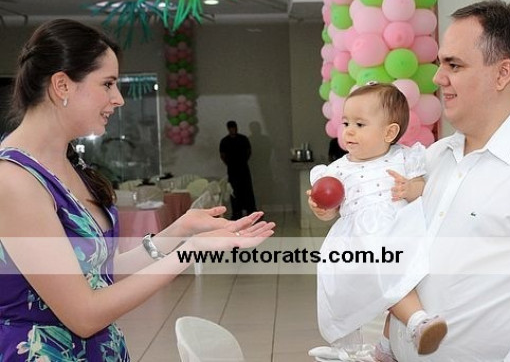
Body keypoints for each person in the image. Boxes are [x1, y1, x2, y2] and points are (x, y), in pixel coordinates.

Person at [0, 19, 275, 361]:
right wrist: (191, 252)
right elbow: (84, 315)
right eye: (108, 84)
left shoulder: (67, 163)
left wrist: (180, 230)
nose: (118, 99)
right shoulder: (14, 180)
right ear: (62, 85)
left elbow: (104, 273)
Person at [389, 0, 510, 361]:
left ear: (502, 73)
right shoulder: (433, 159)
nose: (438, 78)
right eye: (440, 63)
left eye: (454, 65)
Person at [307, 83, 448, 361]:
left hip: (396, 231)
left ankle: (406, 330)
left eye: (359, 124)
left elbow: (423, 188)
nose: (349, 131)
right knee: (373, 281)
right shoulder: (337, 170)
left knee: (397, 279)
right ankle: (393, 332)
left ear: (389, 132)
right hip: (358, 242)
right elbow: (331, 210)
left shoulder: (405, 158)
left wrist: (410, 188)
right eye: (346, 123)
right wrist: (323, 210)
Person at [219, 120, 257, 219]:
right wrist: (229, 164)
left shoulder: (243, 139)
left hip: (243, 168)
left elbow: (248, 151)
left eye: (234, 128)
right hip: (232, 170)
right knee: (234, 191)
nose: (233, 130)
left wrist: (243, 161)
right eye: (231, 128)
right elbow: (222, 155)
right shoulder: (225, 141)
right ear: (228, 129)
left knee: (247, 190)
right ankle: (236, 212)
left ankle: (251, 211)